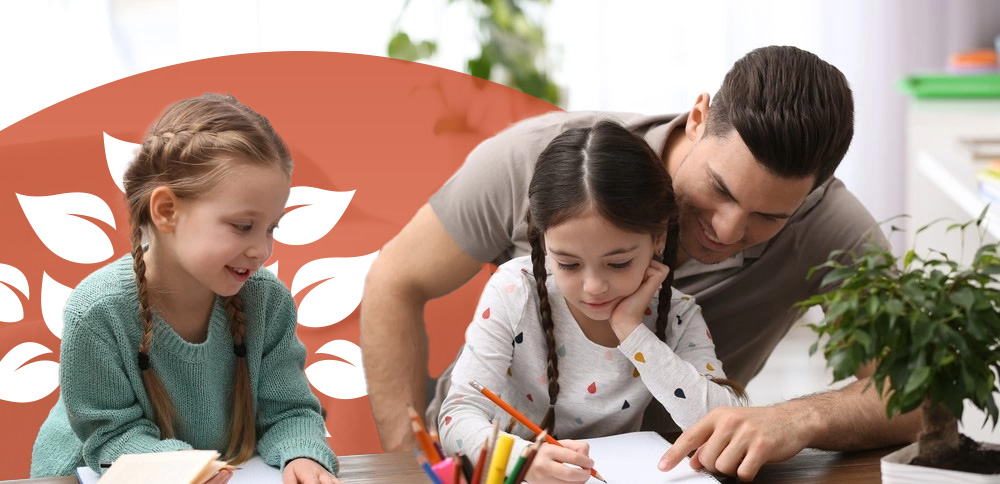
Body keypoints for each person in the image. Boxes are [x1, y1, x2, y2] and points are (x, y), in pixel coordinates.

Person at [361, 45, 921, 481]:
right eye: (720, 188)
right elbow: (395, 281)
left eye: (769, 217)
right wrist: (409, 466)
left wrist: (798, 418)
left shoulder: (830, 232)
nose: (728, 231)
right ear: (699, 117)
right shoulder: (537, 163)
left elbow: (919, 394)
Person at [30, 94, 341, 484]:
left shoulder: (267, 301)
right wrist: (179, 467)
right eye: (243, 226)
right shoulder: (97, 312)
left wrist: (302, 453)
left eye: (270, 228)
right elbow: (110, 435)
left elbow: (289, 410)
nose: (261, 249)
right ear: (166, 211)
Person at [437, 120, 746, 483]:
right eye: (568, 264)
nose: (594, 287)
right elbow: (457, 417)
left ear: (659, 237)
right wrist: (522, 459)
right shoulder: (514, 291)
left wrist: (632, 331)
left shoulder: (678, 314)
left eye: (619, 263)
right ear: (543, 240)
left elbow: (725, 424)